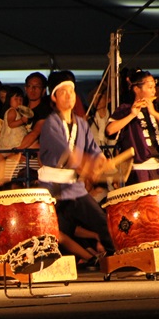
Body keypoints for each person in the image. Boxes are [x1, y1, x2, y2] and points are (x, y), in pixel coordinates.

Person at [37, 77, 116, 267]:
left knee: (103, 222)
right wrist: (87, 167)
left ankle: (115, 260)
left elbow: (94, 150)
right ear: (54, 98)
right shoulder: (50, 124)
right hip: (51, 188)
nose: (68, 96)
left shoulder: (82, 124)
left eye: (71, 92)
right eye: (62, 92)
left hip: (74, 187)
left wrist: (102, 161)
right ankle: (45, 265)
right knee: (49, 231)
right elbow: (68, 154)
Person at [106, 69, 159, 184]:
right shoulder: (125, 109)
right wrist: (132, 115)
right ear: (137, 89)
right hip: (137, 169)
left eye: (154, 87)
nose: (154, 91)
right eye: (150, 87)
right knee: (143, 201)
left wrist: (154, 113)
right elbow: (110, 130)